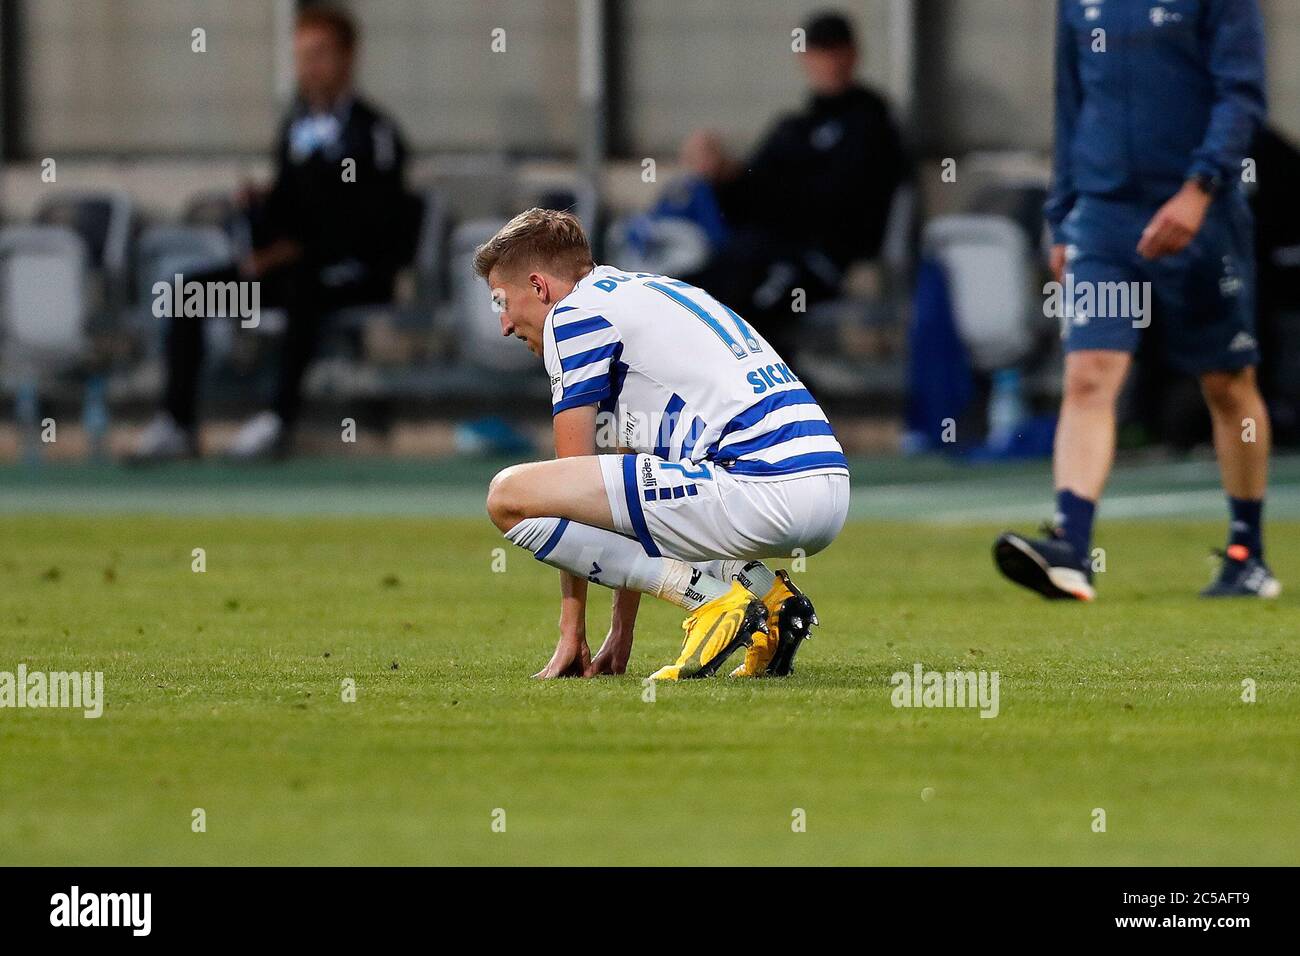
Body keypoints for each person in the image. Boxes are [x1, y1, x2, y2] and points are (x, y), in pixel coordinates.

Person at [479, 209, 850, 679]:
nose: (505, 325)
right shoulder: (652, 293)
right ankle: (773, 602)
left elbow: (568, 489)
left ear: (538, 286)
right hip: (825, 487)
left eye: (501, 303)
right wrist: (621, 629)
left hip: (759, 487)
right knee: (668, 492)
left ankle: (714, 602)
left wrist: (571, 631)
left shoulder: (573, 316)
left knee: (508, 496)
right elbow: (620, 489)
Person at [995, 0, 1277, 600]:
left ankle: (1246, 553)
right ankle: (1071, 547)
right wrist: (1064, 211)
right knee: (1089, 374)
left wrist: (1201, 189)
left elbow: (1242, 95)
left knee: (1227, 382)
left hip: (1199, 211)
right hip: (1104, 217)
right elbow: (1070, 105)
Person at [132, 5, 415, 461]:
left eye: (320, 54)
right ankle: (177, 422)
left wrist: (292, 250)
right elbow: (288, 208)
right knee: (191, 292)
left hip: (349, 278)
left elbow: (370, 225)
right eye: (302, 56)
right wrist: (260, 211)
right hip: (281, 275)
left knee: (306, 286)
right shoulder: (297, 129)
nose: (309, 67)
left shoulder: (374, 134)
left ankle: (278, 419)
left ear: (348, 57)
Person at [678, 10, 906, 358]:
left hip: (819, 261)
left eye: (834, 50)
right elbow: (747, 201)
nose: (826, 61)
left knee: (742, 316)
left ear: (852, 54)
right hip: (761, 251)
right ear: (805, 58)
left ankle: (777, 398)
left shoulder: (871, 124)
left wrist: (764, 193)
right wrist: (722, 175)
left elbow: (836, 206)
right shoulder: (793, 128)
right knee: (690, 298)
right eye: (817, 51)